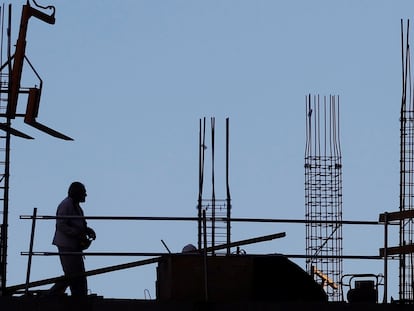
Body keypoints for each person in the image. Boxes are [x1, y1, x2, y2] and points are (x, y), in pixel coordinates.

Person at [48, 181, 96, 296]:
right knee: (72, 274)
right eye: (83, 192)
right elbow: (61, 225)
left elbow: (77, 224)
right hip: (67, 245)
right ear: (77, 193)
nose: (85, 195)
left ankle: (79, 294)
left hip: (73, 245)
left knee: (77, 274)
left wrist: (87, 230)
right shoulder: (66, 205)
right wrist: (78, 233)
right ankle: (55, 293)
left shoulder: (75, 206)